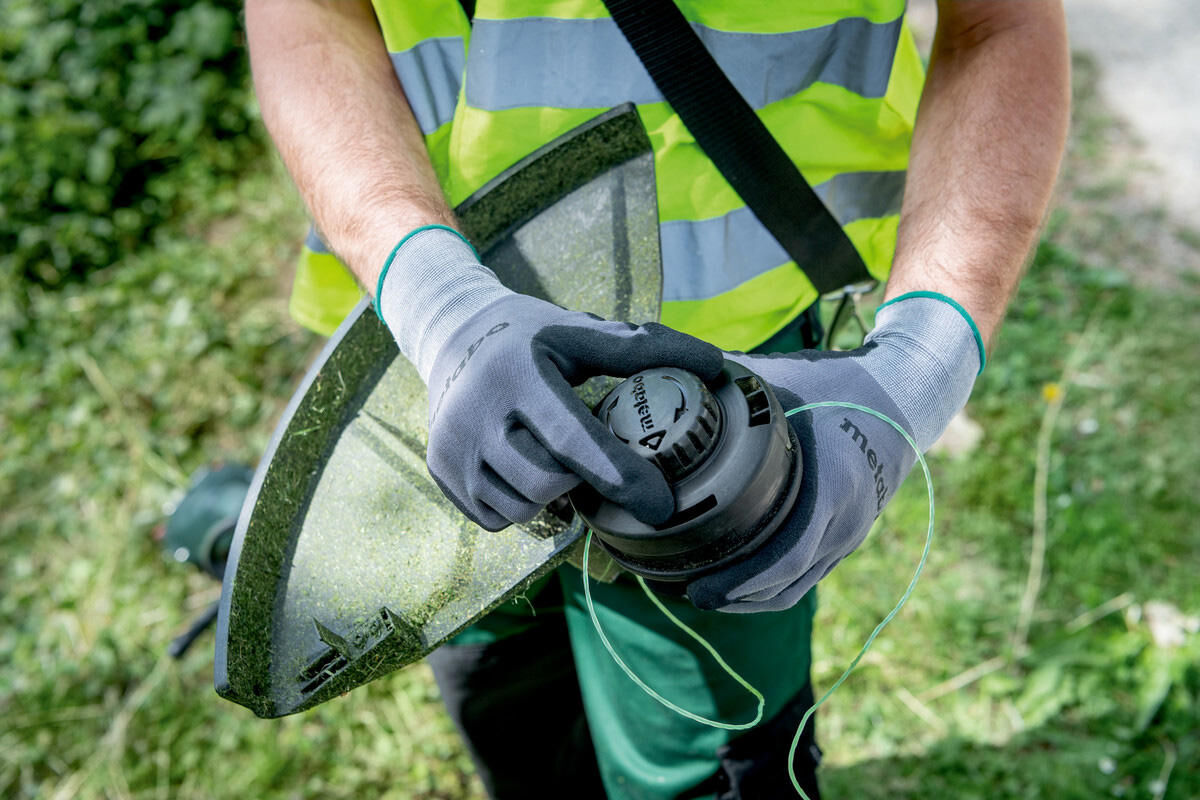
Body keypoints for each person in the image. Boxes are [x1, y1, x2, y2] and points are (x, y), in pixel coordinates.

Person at [243, 1, 1069, 797]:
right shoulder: (433, 318)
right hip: (430, 343)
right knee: (505, 695)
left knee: (706, 756)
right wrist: (438, 303)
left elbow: (1001, 23)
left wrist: (918, 369)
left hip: (738, 378)